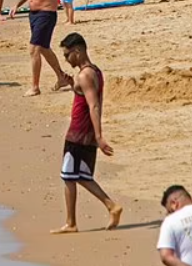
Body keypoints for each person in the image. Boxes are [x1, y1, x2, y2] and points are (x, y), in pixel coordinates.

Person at [54, 32, 121, 234]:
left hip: (79, 132)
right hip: (85, 131)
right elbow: (85, 96)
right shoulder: (94, 72)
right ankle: (76, 219)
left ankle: (104, 208)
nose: (66, 59)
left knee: (70, 175)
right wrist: (70, 83)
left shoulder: (85, 75)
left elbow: (94, 105)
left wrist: (99, 136)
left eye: (67, 55)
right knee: (77, 174)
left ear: (78, 51)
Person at [19, 0, 73, 96]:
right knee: (43, 48)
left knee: (34, 48)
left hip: (47, 13)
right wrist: (17, 5)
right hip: (33, 14)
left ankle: (35, 87)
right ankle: (61, 77)